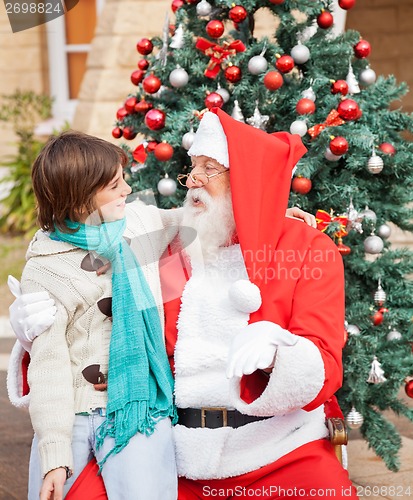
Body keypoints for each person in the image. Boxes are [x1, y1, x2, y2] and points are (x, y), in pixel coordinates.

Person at [8, 110, 356, 499]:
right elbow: (105, 318)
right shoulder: (172, 250)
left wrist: (280, 354)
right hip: (174, 451)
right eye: (193, 168)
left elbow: (324, 365)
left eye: (209, 169)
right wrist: (32, 333)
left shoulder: (306, 250)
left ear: (247, 178)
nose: (192, 182)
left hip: (279, 449)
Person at [7, 131, 179, 500]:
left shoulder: (136, 225)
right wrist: (54, 454)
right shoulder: (46, 268)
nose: (128, 190)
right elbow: (49, 366)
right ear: (83, 196)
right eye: (116, 184)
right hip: (74, 416)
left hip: (138, 409)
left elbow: (200, 217)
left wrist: (281, 216)